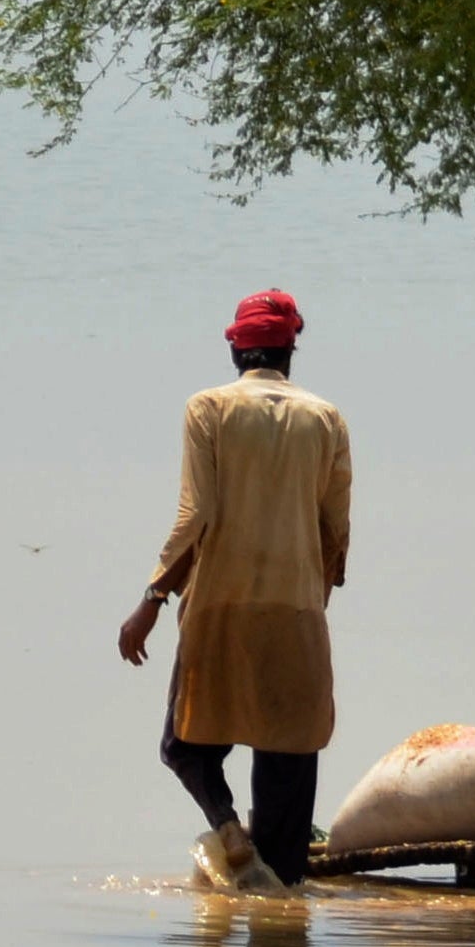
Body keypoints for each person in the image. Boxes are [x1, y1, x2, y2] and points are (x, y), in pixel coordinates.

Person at [120, 288, 351, 893]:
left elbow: (195, 515)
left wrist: (151, 601)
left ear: (235, 349)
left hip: (218, 608)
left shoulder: (208, 409)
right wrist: (312, 601)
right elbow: (335, 530)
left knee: (187, 747)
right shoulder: (325, 418)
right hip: (296, 610)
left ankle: (226, 828)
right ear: (291, 346)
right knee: (289, 771)